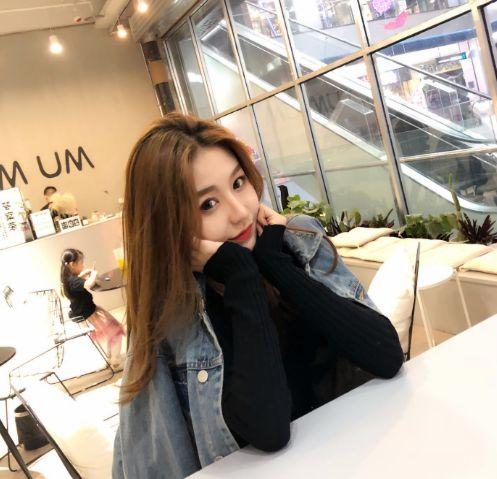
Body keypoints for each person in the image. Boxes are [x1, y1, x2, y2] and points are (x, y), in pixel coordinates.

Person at [112, 113, 404, 478]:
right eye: (207, 205)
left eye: (238, 183)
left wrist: (276, 264)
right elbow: (269, 431)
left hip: (361, 453)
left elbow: (386, 355)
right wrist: (241, 276)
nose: (240, 213)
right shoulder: (172, 318)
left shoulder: (298, 241)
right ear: (167, 224)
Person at [60, 248, 124, 367]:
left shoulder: (67, 279)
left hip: (86, 311)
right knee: (115, 330)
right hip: (89, 314)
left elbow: (78, 281)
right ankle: (115, 360)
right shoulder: (73, 281)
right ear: (72, 264)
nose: (83, 265)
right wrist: (93, 274)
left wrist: (83, 274)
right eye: (81, 263)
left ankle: (110, 356)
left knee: (108, 331)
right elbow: (88, 284)